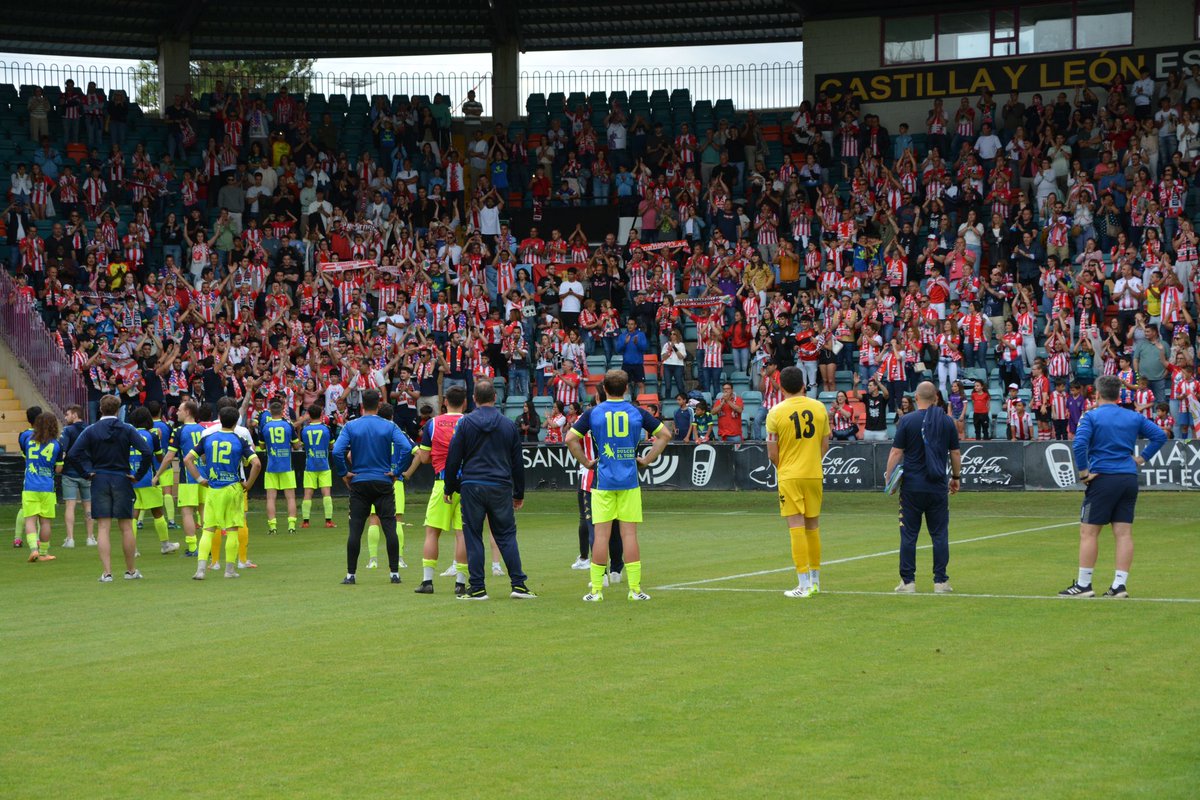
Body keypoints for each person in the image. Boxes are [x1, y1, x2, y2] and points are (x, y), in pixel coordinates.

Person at [565, 369, 671, 602]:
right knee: (629, 535)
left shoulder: (594, 413)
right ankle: (635, 590)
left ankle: (596, 591)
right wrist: (646, 459)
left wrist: (586, 462)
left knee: (601, 535)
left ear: (603, 388)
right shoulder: (636, 411)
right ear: (626, 388)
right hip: (629, 481)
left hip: (603, 482)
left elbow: (570, 439)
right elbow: (665, 434)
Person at [1059, 374, 1167, 598]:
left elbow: (1079, 444)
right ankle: (1119, 585)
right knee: (1124, 533)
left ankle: (1084, 585)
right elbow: (1159, 436)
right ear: (1119, 395)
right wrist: (1142, 458)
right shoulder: (1133, 416)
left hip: (1103, 477)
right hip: (1128, 477)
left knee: (1088, 532)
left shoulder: (1091, 417)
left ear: (1096, 394)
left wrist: (1083, 473)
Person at [443, 379, 534, 600]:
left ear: (474, 399)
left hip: (472, 486)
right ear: (495, 398)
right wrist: (518, 493)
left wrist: (450, 487)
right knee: (506, 535)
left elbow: (454, 457)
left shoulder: (464, 424)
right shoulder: (508, 425)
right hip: (500, 486)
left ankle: (477, 588)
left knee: (473, 535)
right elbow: (517, 463)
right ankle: (519, 585)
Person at [67, 394, 154, 582]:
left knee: (103, 527)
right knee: (126, 527)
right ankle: (131, 571)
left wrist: (86, 473)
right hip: (122, 477)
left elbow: (73, 454)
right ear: (118, 409)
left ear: (100, 409)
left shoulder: (91, 430)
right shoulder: (127, 429)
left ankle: (106, 573)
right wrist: (138, 475)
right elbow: (147, 452)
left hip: (100, 478)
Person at [885, 381, 961, 593]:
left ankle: (908, 582)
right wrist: (956, 477)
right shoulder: (947, 422)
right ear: (936, 398)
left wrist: (888, 477)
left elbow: (896, 452)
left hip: (912, 487)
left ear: (916, 398)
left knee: (909, 535)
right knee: (939, 534)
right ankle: (940, 581)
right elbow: (955, 453)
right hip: (937, 486)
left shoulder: (907, 421)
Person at [332, 389, 414, 585]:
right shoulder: (389, 425)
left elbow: (336, 451)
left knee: (355, 529)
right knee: (390, 527)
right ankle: (394, 573)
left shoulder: (351, 426)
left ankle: (351, 575)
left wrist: (345, 474)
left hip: (359, 482)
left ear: (362, 405)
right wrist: (397, 471)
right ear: (379, 404)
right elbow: (407, 448)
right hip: (383, 482)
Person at [765, 366, 831, 597]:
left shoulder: (775, 412)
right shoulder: (819, 407)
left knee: (796, 528)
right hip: (814, 473)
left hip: (790, 475)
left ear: (781, 387)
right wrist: (812, 461)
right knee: (813, 527)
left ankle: (802, 584)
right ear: (803, 384)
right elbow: (825, 445)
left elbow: (772, 453)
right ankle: (815, 581)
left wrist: (785, 468)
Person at [184, 405, 262, 580]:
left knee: (208, 529)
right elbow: (256, 464)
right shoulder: (239, 439)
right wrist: (248, 484)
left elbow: (187, 459)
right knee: (233, 529)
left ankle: (201, 570)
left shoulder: (208, 438)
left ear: (219, 419)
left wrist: (199, 479)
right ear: (236, 422)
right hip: (233, 488)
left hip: (213, 488)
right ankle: (229, 570)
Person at [404, 385, 469, 595]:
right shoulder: (470, 422)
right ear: (465, 403)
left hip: (442, 482)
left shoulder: (433, 423)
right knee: (463, 534)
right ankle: (460, 582)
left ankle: (427, 581)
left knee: (432, 532)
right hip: (467, 485)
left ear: (444, 402)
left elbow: (423, 458)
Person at [363, 403, 413, 570]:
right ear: (392, 416)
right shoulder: (400, 433)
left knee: (374, 519)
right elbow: (418, 452)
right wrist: (406, 472)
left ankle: (373, 559)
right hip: (395, 481)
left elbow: (350, 454)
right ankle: (399, 558)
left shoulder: (371, 434)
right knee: (397, 520)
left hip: (374, 479)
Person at [154, 400, 206, 556]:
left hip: (189, 478)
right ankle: (207, 545)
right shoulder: (204, 430)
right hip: (204, 477)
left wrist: (157, 474)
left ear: (188, 412)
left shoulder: (179, 431)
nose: (177, 412)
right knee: (203, 510)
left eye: (180, 410)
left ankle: (192, 548)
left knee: (187, 512)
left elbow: (169, 457)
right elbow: (205, 456)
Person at [129, 407, 180, 555]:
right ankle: (165, 545)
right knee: (157, 511)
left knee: (134, 512)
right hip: (147, 478)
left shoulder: (128, 435)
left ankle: (132, 548)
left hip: (130, 478)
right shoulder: (152, 435)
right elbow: (159, 458)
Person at [22, 411, 64, 563]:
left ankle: (33, 550)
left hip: (30, 486)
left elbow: (26, 457)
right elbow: (59, 469)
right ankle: (44, 553)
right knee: (45, 522)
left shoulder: (28, 440)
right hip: (47, 487)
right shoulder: (57, 444)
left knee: (30, 520)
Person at [260, 400, 299, 535]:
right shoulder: (288, 425)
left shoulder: (265, 426)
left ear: (270, 411)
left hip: (271, 466)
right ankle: (291, 526)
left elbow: (262, 446)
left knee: (271, 498)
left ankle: (273, 527)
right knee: (291, 497)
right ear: (282, 410)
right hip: (286, 466)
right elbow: (296, 445)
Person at [59, 404, 94, 548]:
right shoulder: (90, 429)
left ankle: (70, 539)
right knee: (88, 506)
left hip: (70, 472)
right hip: (88, 473)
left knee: (70, 506)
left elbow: (63, 450)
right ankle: (90, 538)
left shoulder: (67, 430)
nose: (65, 417)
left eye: (67, 414)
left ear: (74, 415)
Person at [299, 403, 335, 529]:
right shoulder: (327, 429)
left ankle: (305, 522)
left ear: (309, 415)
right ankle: (328, 521)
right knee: (326, 493)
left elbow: (303, 445)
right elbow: (331, 446)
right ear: (321, 415)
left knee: (308, 493)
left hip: (310, 465)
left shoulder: (305, 430)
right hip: (324, 465)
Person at [13, 405, 41, 549]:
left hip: (29, 474)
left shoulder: (23, 435)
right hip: (43, 476)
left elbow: (25, 454)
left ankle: (18, 538)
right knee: (40, 511)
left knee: (26, 507)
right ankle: (37, 540)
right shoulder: (46, 435)